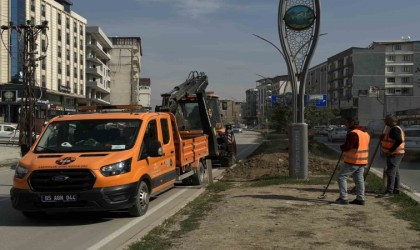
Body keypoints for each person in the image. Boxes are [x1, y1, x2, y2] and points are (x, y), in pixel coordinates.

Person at [335, 117, 370, 205]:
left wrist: (342, 147)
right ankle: (360, 199)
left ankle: (344, 198)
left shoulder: (353, 133)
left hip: (353, 160)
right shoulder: (365, 133)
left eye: (346, 122)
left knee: (341, 177)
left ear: (352, 123)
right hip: (362, 161)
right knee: (359, 179)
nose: (345, 124)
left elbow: (348, 147)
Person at [379, 114, 405, 197]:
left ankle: (389, 191)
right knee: (395, 172)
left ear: (391, 121)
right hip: (396, 153)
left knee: (390, 172)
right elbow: (391, 140)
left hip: (395, 154)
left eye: (386, 120)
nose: (384, 121)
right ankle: (396, 190)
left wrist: (390, 151)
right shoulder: (393, 129)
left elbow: (399, 140)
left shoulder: (394, 129)